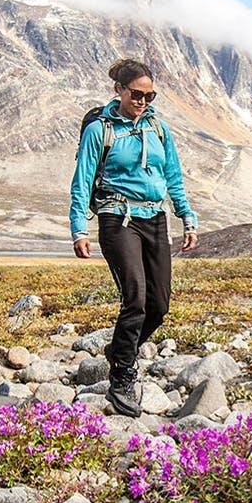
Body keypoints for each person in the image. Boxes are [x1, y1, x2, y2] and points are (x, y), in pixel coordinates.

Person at [70, 58, 199, 417]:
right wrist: (79, 228)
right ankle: (122, 375)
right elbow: (82, 180)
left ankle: (120, 351)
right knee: (136, 298)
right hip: (117, 217)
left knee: (159, 305)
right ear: (120, 90)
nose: (143, 101)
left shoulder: (159, 128)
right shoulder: (100, 130)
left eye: (150, 96)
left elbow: (172, 175)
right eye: (137, 95)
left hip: (155, 217)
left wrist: (187, 217)